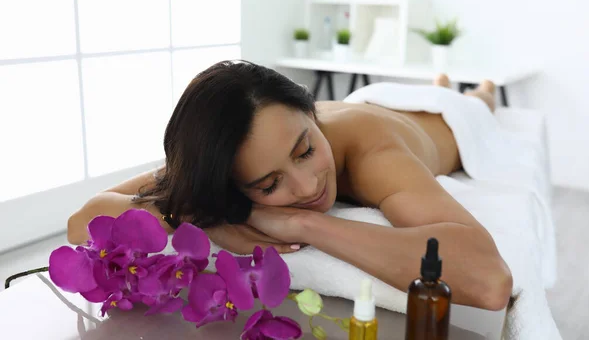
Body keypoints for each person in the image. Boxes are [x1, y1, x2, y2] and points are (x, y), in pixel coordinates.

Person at [68, 60, 512, 311]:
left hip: (442, 122)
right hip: (368, 102)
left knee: (474, 100)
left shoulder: (373, 154)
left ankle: (474, 89)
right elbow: (83, 221)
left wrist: (304, 225)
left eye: (305, 151)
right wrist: (195, 211)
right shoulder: (254, 139)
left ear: (311, 114)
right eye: (268, 184)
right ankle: (442, 82)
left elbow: (490, 280)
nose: (307, 187)